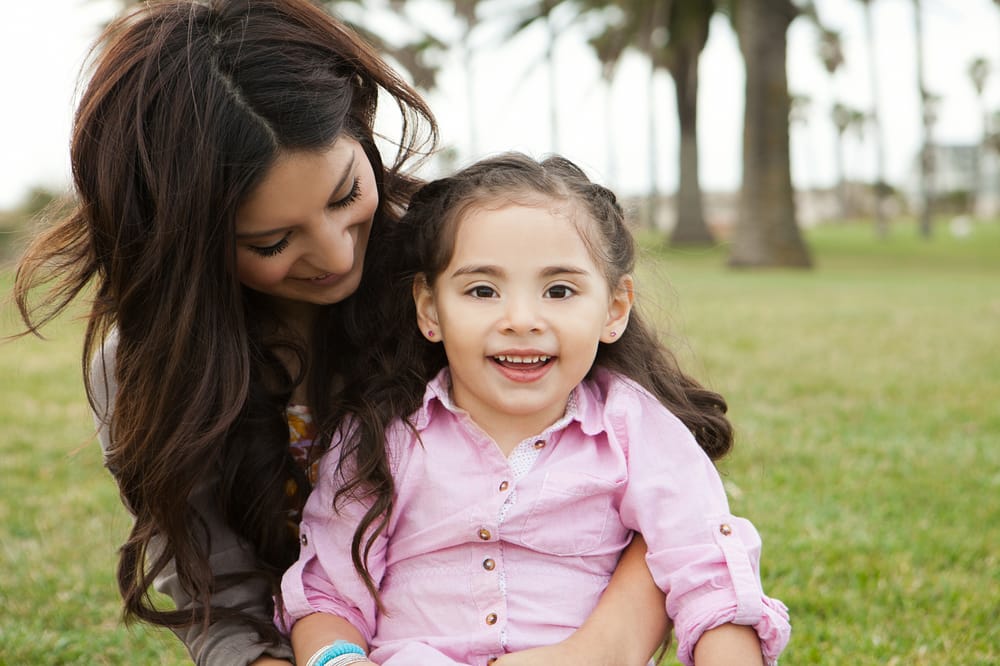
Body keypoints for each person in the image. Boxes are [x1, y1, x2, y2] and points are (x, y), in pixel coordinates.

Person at [12, 2, 672, 665]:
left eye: (344, 195)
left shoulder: (469, 267)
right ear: (187, 248)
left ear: (360, 128)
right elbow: (218, 602)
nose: (334, 257)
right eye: (271, 240)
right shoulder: (144, 372)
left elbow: (670, 485)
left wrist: (598, 649)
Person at [277, 153, 792, 666]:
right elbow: (328, 593)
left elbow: (711, 578)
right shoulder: (381, 436)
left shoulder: (636, 430)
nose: (521, 319)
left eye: (559, 290)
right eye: (483, 290)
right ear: (430, 308)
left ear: (614, 309)